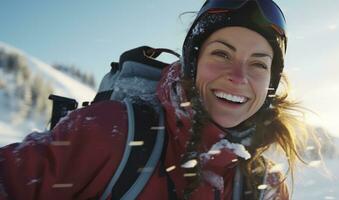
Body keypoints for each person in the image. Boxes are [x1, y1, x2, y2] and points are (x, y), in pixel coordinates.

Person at [0, 0, 311, 199]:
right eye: (221, 53)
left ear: (271, 83)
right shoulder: (112, 132)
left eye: (258, 63)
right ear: (193, 63)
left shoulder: (265, 186)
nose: (239, 76)